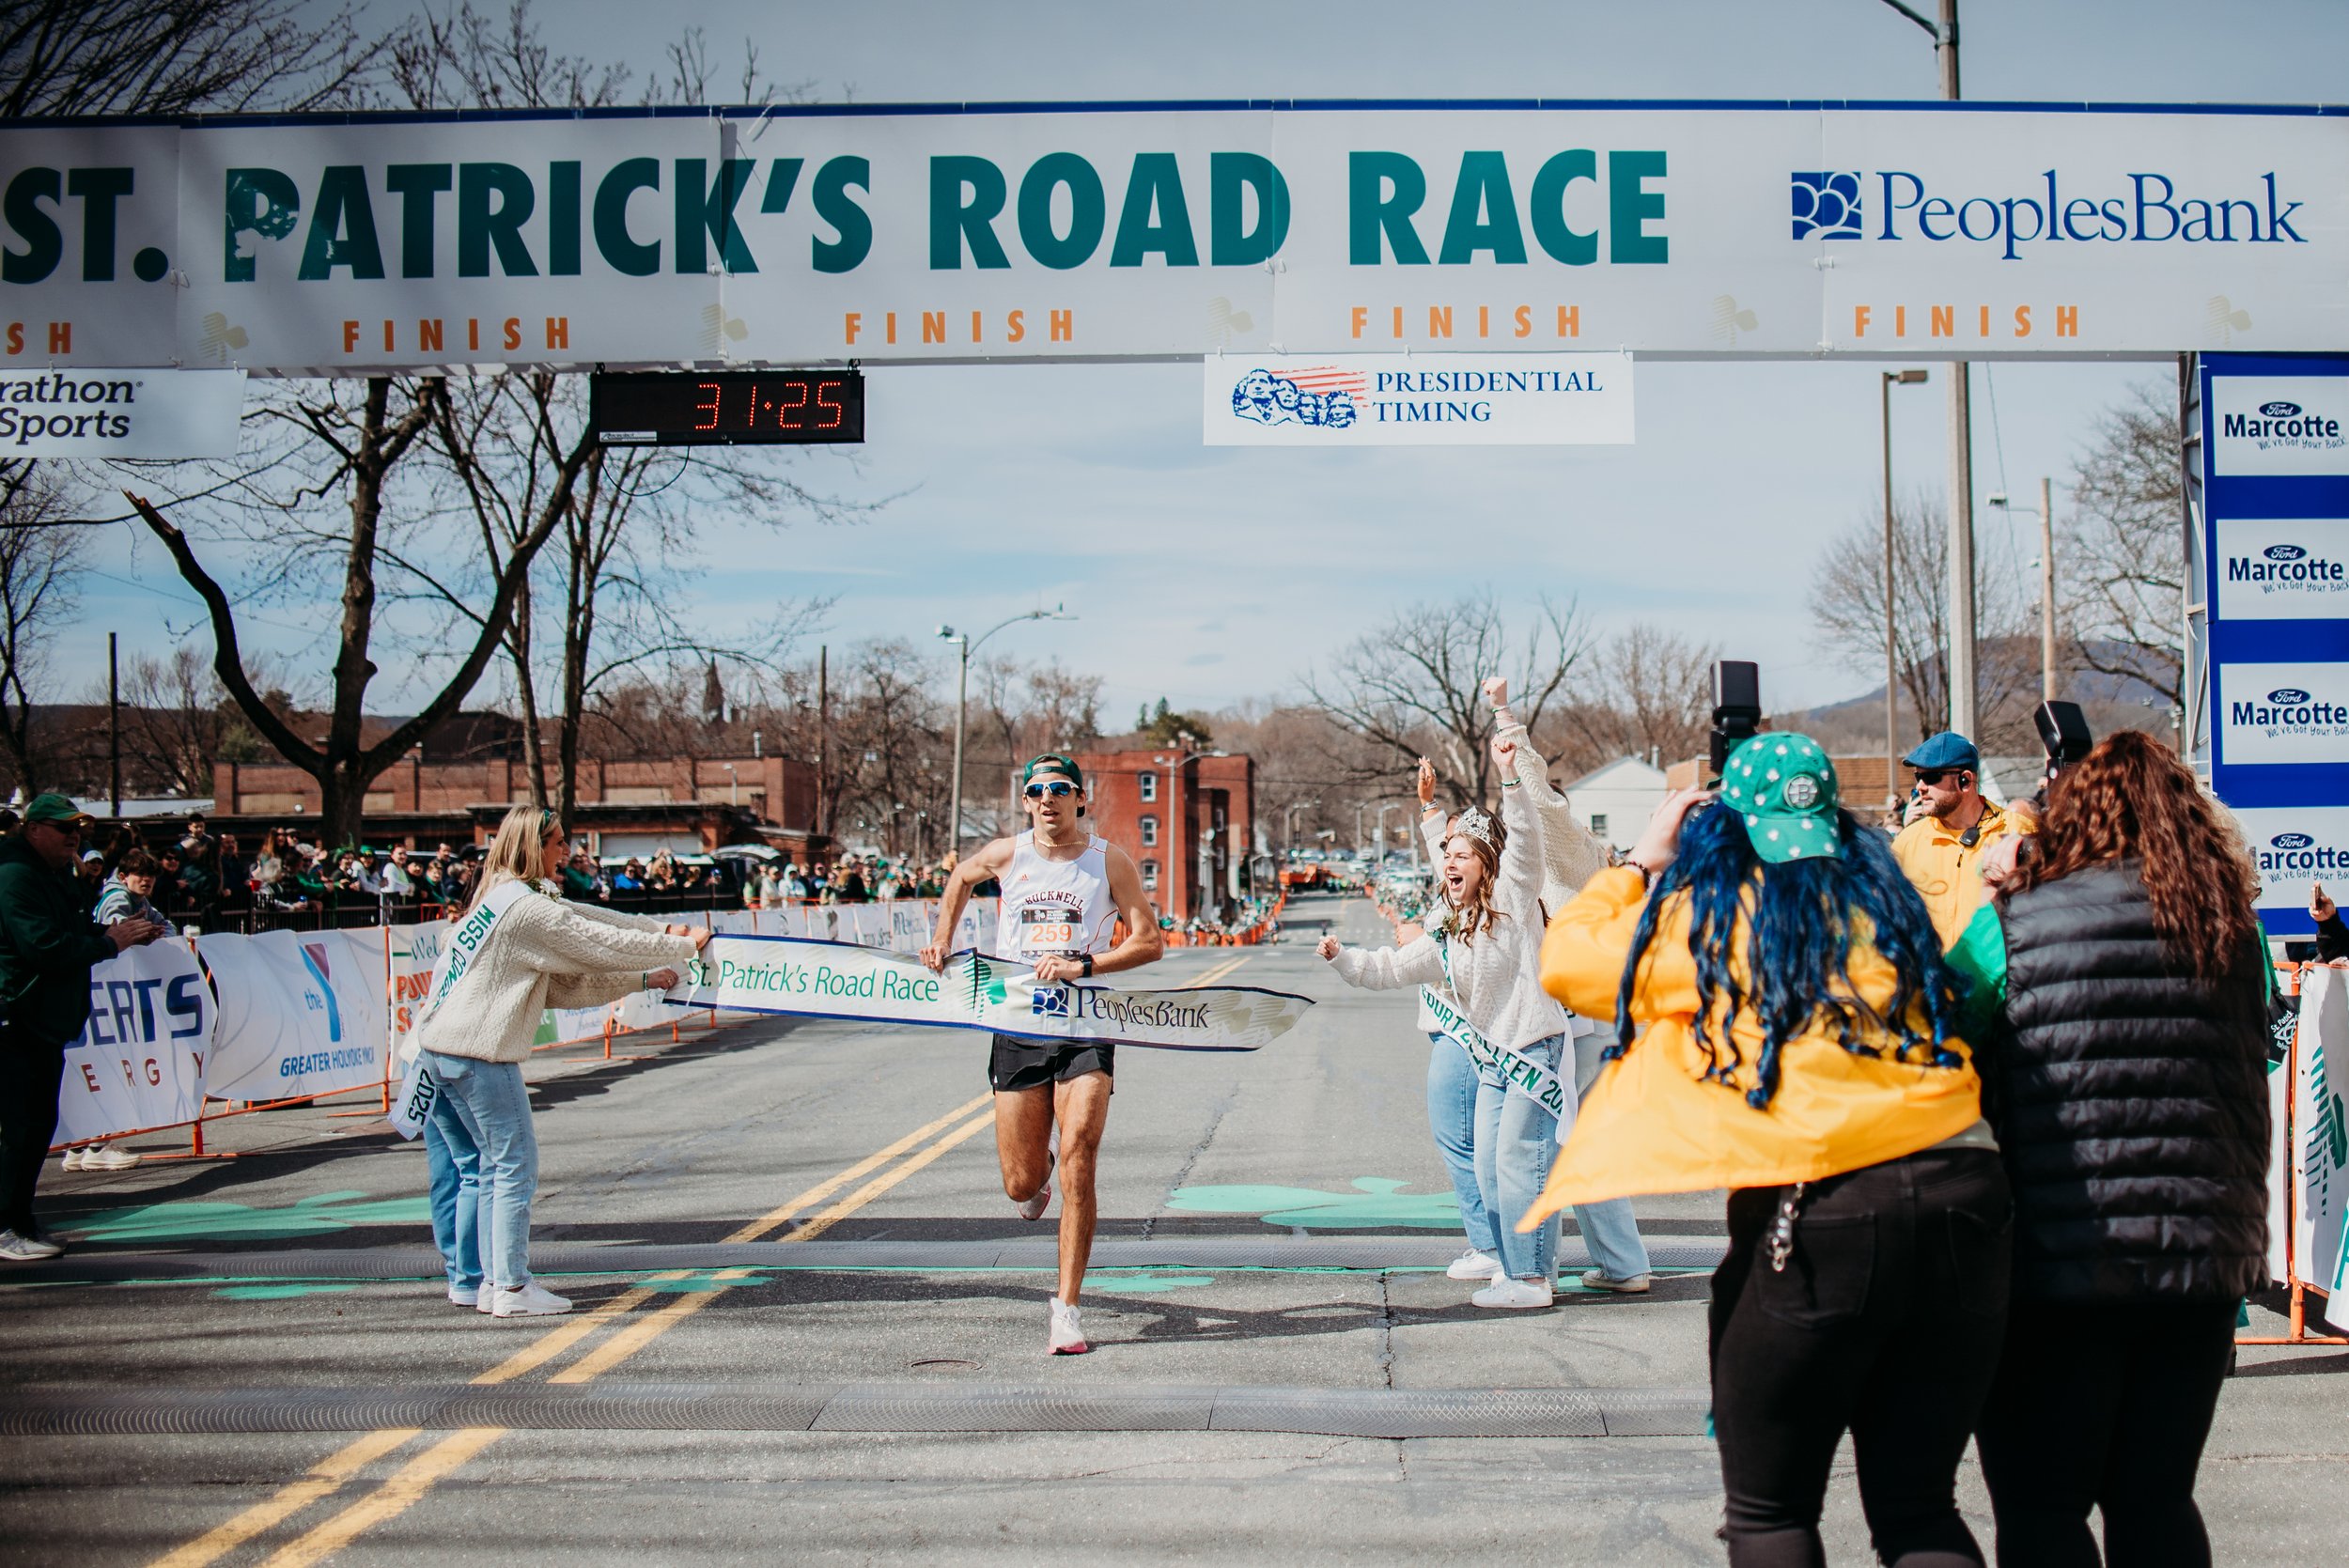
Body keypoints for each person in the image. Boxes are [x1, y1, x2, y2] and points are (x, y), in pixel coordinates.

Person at [1533, 735, 2002, 1567]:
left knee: (1770, 1509)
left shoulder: (1709, 921)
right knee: (1920, 1505)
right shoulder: (1888, 908)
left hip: (1823, 1212)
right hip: (1965, 1192)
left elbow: (1568, 962)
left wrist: (1644, 857)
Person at [1943, 731, 2269, 1567]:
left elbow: (1936, 1028)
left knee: (2043, 1506)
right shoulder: (2232, 930)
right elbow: (2261, 1047)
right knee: (2155, 1496)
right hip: (2202, 1260)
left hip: (2056, 1257)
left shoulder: (2012, 927)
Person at [414, 805, 705, 1316]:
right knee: (513, 1168)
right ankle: (510, 1286)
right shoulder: (527, 910)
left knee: (484, 1169)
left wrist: (648, 970)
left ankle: (483, 1282)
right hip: (477, 1052)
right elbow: (596, 942)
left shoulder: (503, 897)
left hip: (440, 1049)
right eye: (557, 842)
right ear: (531, 846)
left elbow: (569, 976)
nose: (566, 851)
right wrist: (675, 944)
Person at [1322, 732, 1577, 1310]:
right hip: (1493, 1058)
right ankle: (1513, 1270)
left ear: (1487, 864)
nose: (1448, 864)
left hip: (1532, 1047)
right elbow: (1391, 968)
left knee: (1520, 1163)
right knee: (1488, 1168)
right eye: (1448, 858)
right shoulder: (1447, 920)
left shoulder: (1513, 894)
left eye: (1462, 856)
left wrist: (1509, 775)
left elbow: (1524, 842)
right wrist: (1344, 959)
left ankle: (1533, 1278)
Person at [921, 753, 1165, 1356]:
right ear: (1026, 801)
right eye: (1036, 791)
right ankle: (1037, 1181)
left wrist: (1085, 964)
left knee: (1080, 1151)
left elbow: (1150, 941)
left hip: (1084, 1022)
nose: (1047, 799)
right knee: (1020, 1182)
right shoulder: (1008, 855)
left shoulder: (1107, 860)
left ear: (1081, 799)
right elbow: (959, 879)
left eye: (1059, 789)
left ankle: (1067, 1309)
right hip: (1019, 1025)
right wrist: (941, 939)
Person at [1476, 676, 1654, 1292]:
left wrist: (1505, 720)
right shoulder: (1594, 863)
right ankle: (1623, 1264)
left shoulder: (1569, 849)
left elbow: (1543, 808)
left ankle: (1533, 1270)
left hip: (1570, 1013)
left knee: (1539, 1142)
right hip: (1595, 1011)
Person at [0, 796, 163, 1260]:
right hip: (16, 1011)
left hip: (41, 1016)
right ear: (32, 829)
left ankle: (19, 1220)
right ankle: (5, 1225)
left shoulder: (51, 872)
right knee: (19, 1126)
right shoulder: (14, 874)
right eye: (61, 827)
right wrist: (108, 944)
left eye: (78, 828)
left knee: (36, 1125)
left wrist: (118, 935)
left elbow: (71, 933)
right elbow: (43, 947)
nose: (73, 836)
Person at [1891, 731, 2030, 948]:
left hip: (1998, 976)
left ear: (1965, 781)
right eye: (1918, 777)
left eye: (1931, 777)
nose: (1920, 787)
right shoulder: (1907, 842)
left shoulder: (2017, 831)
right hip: (1934, 978)